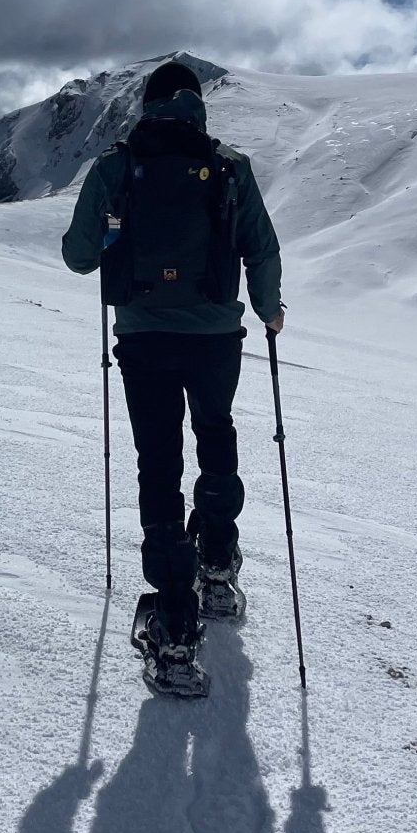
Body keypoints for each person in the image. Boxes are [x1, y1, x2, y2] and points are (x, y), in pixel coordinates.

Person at [61, 60, 283, 695]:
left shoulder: (116, 165)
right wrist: (268, 310)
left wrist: (111, 239)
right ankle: (217, 564)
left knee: (158, 464)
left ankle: (176, 628)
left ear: (147, 105)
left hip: (143, 336)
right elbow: (260, 247)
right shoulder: (229, 165)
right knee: (216, 433)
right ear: (198, 109)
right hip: (217, 335)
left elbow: (78, 257)